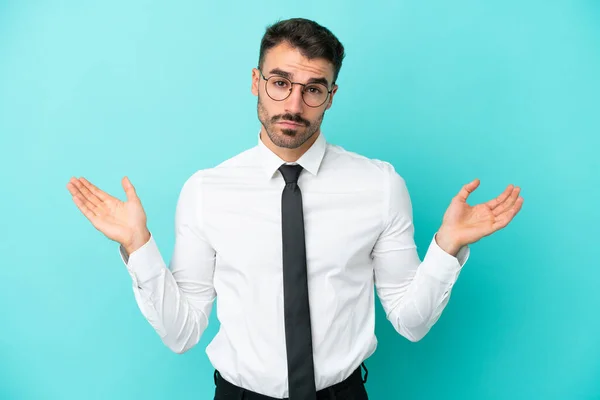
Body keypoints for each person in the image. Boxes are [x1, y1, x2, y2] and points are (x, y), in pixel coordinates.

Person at [66, 17, 523, 400]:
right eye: (280, 83)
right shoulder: (207, 191)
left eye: (313, 89)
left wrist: (446, 248)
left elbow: (411, 322)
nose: (294, 104)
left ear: (332, 95)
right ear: (256, 83)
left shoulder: (379, 186)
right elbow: (182, 332)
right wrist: (139, 246)